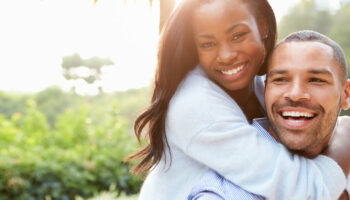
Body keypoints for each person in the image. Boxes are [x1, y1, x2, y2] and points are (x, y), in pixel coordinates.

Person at [125, 0, 350, 199]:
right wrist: (345, 139)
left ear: (262, 26)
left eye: (237, 35)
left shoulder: (261, 85)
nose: (226, 55)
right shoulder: (196, 105)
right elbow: (304, 191)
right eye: (208, 44)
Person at [188, 30, 350, 200]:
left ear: (345, 95)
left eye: (316, 80)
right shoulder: (222, 194)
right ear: (266, 90)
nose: (295, 94)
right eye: (280, 79)